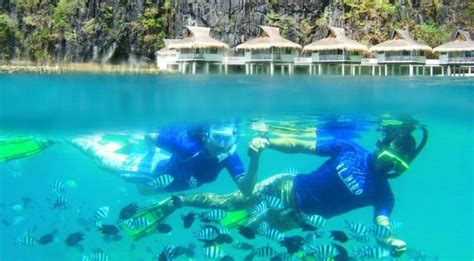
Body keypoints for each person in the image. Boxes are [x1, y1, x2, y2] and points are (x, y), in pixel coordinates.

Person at [128, 121, 427, 256]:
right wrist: (269, 142)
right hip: (285, 186)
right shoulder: (349, 148)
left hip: (299, 220)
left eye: (396, 167)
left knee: (251, 230)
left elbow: (382, 221)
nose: (388, 169)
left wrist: (389, 242)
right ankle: (179, 200)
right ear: (381, 146)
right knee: (234, 202)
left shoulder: (384, 193)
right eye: (388, 159)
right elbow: (299, 144)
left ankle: (245, 223)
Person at [71, 122, 259, 196]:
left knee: (144, 193)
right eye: (217, 137)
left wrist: (255, 159)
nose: (222, 144)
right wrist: (149, 154)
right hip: (152, 171)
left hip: (167, 183)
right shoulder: (185, 145)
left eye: (228, 139)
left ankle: (122, 151)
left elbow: (246, 190)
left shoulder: (228, 155)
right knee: (102, 161)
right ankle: (74, 138)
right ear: (205, 135)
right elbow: (150, 135)